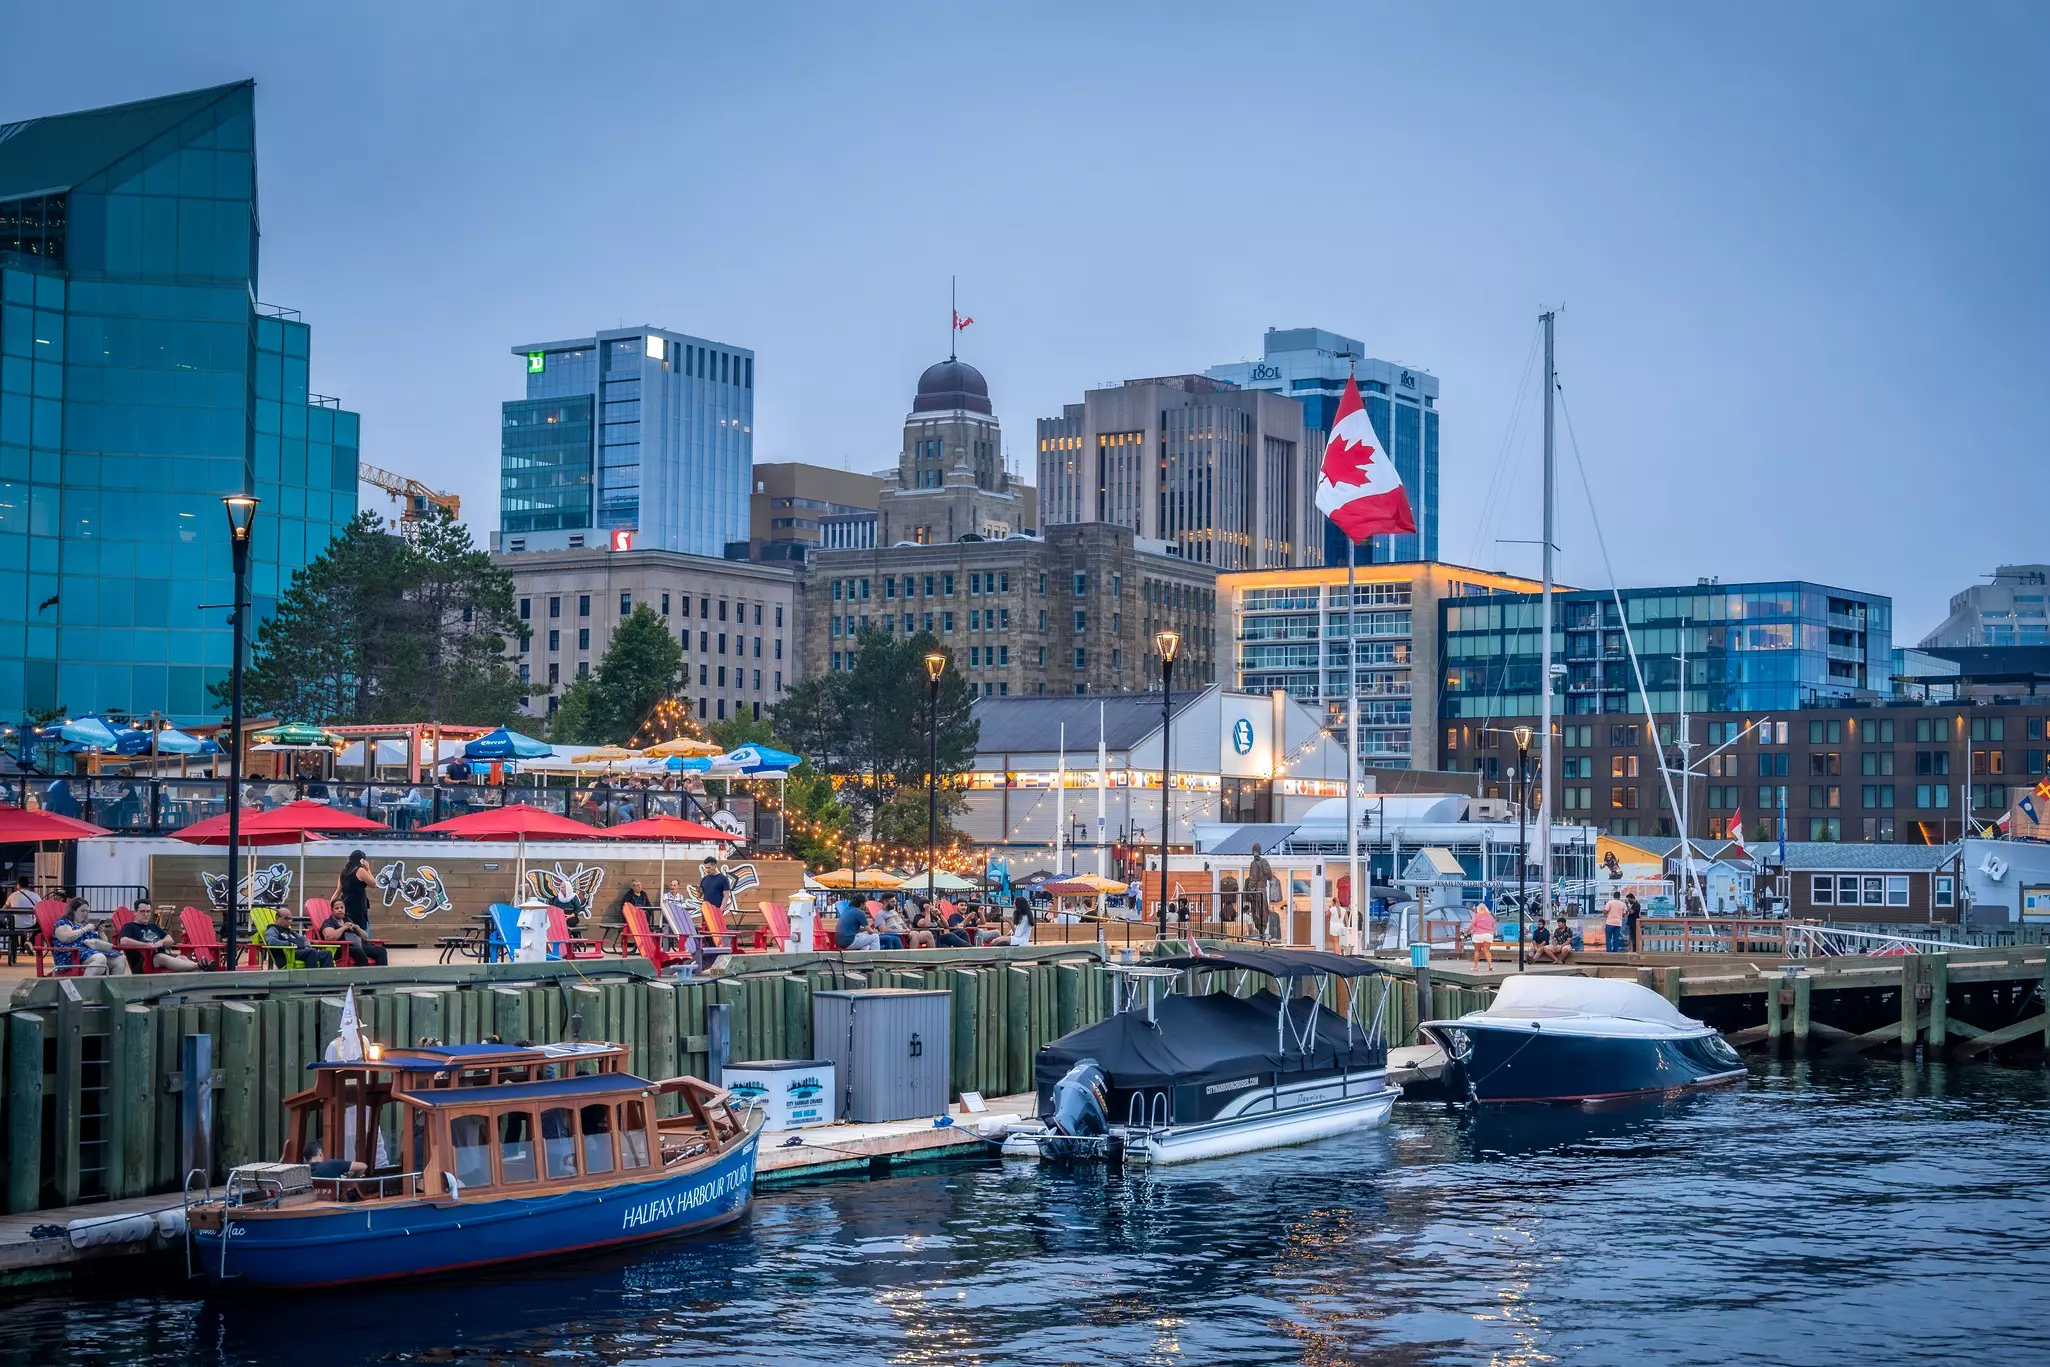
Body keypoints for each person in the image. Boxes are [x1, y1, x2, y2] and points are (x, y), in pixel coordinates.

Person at [113, 900, 199, 973]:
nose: (146, 914)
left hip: (162, 957)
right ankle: (199, 966)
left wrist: (161, 942)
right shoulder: (129, 926)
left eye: (148, 911)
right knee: (161, 957)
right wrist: (146, 945)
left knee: (182, 957)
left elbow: (170, 940)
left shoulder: (154, 927)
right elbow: (124, 941)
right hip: (145, 961)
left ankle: (200, 967)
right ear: (135, 912)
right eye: (142, 911)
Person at [53, 897, 127, 976]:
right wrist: (84, 929)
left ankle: (113, 987)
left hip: (88, 954)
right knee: (100, 958)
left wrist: (100, 932)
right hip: (71, 955)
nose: (85, 913)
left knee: (121, 959)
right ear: (73, 911)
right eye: (82, 911)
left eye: (87, 911)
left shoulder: (85, 925)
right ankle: (85, 986)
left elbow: (105, 943)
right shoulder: (64, 922)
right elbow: (64, 937)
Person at [315, 900, 388, 967]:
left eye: (341, 908)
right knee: (357, 950)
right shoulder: (328, 922)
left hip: (358, 945)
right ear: (332, 911)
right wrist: (343, 928)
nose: (340, 910)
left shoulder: (347, 919)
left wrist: (356, 927)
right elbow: (329, 937)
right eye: (337, 908)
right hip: (342, 949)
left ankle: (381, 976)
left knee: (381, 950)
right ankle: (364, 977)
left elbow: (364, 937)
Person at [263, 908, 335, 968]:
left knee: (327, 953)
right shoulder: (273, 929)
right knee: (311, 952)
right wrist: (288, 944)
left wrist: (306, 944)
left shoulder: (290, 931)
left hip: (301, 953)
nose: (289, 921)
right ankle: (312, 980)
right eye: (286, 918)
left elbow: (303, 939)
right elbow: (271, 941)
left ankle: (327, 979)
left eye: (291, 919)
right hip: (288, 956)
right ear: (277, 918)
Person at [335, 850, 376, 935]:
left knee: (348, 928)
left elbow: (338, 891)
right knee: (360, 929)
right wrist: (368, 869)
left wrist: (331, 904)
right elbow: (373, 883)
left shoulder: (343, 872)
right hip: (358, 904)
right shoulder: (360, 870)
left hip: (346, 904)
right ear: (362, 860)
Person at [1244, 844, 1276, 942]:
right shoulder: (1265, 861)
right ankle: (1263, 930)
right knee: (1264, 910)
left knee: (1256, 911)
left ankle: (1261, 932)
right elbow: (1270, 876)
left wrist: (1250, 890)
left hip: (1256, 891)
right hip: (1263, 890)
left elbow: (1253, 879)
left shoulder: (1254, 863)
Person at [697, 859, 731, 929]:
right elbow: (700, 895)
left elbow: (726, 896)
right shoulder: (704, 879)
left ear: (715, 866)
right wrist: (698, 891)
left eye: (708, 868)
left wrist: (720, 910)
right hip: (706, 909)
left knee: (716, 931)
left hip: (716, 909)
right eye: (706, 868)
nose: (707, 870)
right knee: (705, 930)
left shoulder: (723, 879)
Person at [1468, 898, 1497, 972]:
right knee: (1486, 950)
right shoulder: (1490, 916)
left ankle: (1475, 967)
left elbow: (1472, 925)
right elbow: (1494, 926)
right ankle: (1490, 965)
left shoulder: (1476, 916)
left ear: (1478, 909)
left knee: (1477, 951)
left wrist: (1466, 932)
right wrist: (1492, 932)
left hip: (1478, 935)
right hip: (1488, 935)